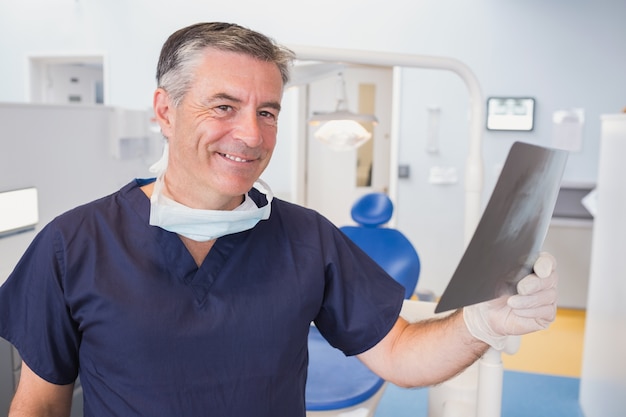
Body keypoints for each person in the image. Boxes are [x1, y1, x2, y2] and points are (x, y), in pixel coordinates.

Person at [0, 22, 558, 417]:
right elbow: (41, 404)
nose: (251, 133)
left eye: (267, 112)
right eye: (224, 106)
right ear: (165, 112)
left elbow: (400, 354)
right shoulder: (73, 245)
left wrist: (483, 322)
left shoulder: (307, 239)